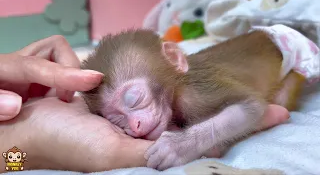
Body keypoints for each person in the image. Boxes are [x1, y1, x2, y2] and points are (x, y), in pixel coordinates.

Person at [0, 35, 289, 173]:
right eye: (117, 120)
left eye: (133, 99)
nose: (135, 125)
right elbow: (12, 159)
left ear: (175, 59)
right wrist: (27, 144)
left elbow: (250, 106)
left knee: (272, 100)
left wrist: (194, 140)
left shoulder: (192, 95)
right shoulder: (167, 94)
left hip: (281, 56)